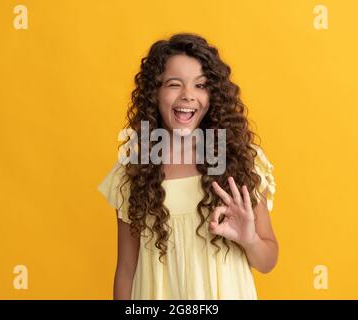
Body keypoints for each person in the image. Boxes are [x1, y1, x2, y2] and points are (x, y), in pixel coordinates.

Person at [98, 33, 278, 300]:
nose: (188, 96)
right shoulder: (133, 170)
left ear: (213, 95)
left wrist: (249, 238)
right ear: (154, 93)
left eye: (201, 85)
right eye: (174, 84)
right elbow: (126, 268)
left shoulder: (240, 160)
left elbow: (267, 261)